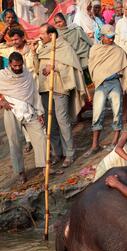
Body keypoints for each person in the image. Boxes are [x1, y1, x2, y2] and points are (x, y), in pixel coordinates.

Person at [33, 24, 87, 168]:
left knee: (63, 120)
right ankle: (58, 152)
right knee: (51, 121)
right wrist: (33, 53)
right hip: (45, 88)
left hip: (60, 88)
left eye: (42, 33)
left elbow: (72, 67)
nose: (40, 36)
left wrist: (54, 67)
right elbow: (37, 68)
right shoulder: (42, 48)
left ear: (51, 35)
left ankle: (70, 153)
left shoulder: (64, 47)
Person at [0, 52, 47, 184]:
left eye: (20, 65)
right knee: (14, 142)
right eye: (15, 66)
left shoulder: (27, 74)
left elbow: (34, 93)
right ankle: (20, 172)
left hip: (29, 109)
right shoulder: (2, 75)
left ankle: (44, 168)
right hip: (12, 111)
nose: (17, 68)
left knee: (40, 137)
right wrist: (1, 101)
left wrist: (40, 112)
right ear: (10, 64)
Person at [85, 24, 127, 157]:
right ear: (102, 37)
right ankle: (95, 145)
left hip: (114, 82)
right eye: (108, 37)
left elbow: (124, 69)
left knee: (117, 111)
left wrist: (124, 83)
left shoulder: (118, 51)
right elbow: (92, 66)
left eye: (113, 37)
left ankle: (115, 141)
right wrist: (98, 78)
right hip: (100, 84)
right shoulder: (95, 49)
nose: (111, 39)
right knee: (97, 113)